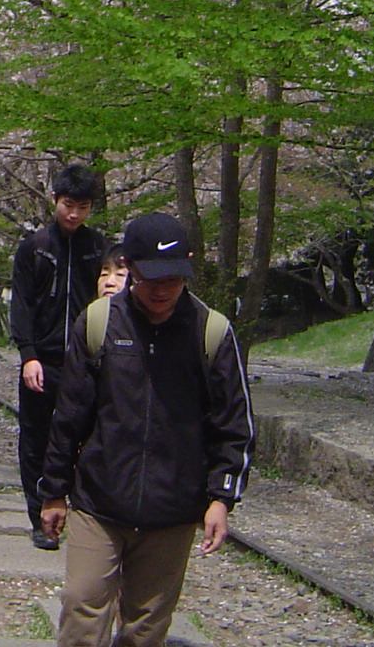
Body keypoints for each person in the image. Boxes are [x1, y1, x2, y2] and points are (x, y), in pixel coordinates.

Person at [39, 213, 255, 647]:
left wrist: (221, 498)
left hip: (172, 508)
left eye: (173, 279)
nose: (161, 289)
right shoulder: (99, 323)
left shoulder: (210, 332)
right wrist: (54, 490)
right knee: (82, 605)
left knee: (146, 627)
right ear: (129, 268)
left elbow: (233, 425)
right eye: (150, 278)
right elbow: (69, 415)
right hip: (99, 500)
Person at [11, 163, 107, 549]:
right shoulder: (34, 248)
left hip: (86, 361)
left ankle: (82, 511)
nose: (74, 214)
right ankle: (39, 515)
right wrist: (28, 354)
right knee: (35, 437)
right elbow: (22, 305)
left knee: (84, 436)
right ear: (54, 200)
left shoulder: (97, 247)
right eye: (68, 204)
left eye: (82, 207)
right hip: (44, 360)